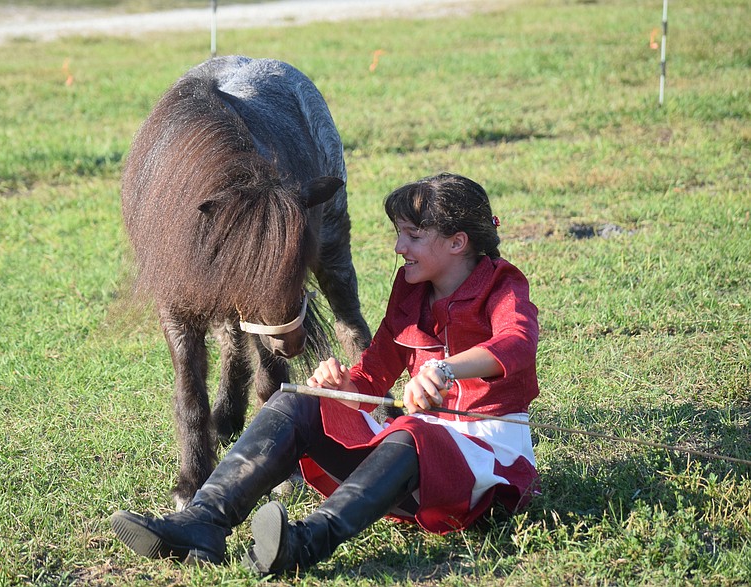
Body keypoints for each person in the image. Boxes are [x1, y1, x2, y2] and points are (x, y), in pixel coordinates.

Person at [110, 172, 540, 575]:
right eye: (398, 234)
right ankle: (204, 520)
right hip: (411, 458)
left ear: (457, 242)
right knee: (297, 399)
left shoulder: (503, 285)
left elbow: (516, 343)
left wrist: (444, 368)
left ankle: (305, 543)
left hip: (487, 456)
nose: (399, 248)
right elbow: (372, 377)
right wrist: (343, 387)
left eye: (413, 235)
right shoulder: (410, 291)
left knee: (411, 433)